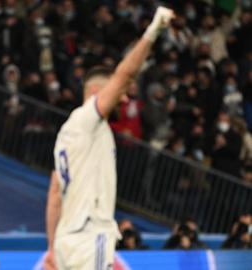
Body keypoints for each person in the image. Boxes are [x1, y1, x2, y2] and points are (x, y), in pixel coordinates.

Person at [44, 7, 175, 270]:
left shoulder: (69, 133)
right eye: (119, 94)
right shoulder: (87, 121)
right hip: (90, 237)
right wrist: (154, 29)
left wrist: (51, 248)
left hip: (67, 241)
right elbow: (125, 75)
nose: (124, 98)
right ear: (97, 92)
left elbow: (55, 194)